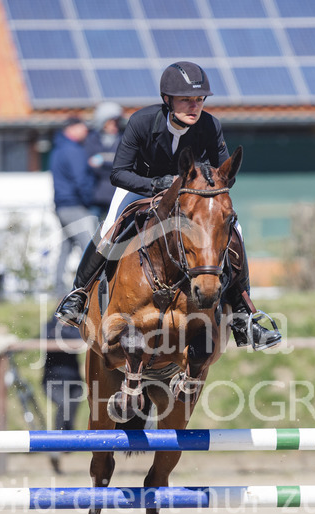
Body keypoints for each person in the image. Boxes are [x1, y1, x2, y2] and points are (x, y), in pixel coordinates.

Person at [54, 62, 282, 351]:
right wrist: (157, 184)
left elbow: (222, 176)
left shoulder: (210, 125)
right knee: (110, 226)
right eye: (186, 99)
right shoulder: (142, 122)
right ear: (167, 99)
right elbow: (118, 173)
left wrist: (201, 189)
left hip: (189, 195)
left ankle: (243, 315)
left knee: (235, 229)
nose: (194, 106)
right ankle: (78, 296)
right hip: (140, 187)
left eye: (199, 100)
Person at [50, 116, 98, 295]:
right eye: (83, 127)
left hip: (62, 207)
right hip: (75, 206)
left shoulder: (58, 149)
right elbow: (81, 181)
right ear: (72, 128)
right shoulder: (73, 151)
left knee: (66, 250)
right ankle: (87, 293)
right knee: (90, 251)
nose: (86, 131)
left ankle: (60, 294)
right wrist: (90, 200)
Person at [42, 314, 84, 474]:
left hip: (74, 381)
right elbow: (48, 336)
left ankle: (65, 441)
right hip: (53, 380)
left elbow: (80, 338)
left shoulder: (75, 327)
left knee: (70, 411)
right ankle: (58, 445)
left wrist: (63, 334)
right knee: (64, 404)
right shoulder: (48, 325)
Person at [85, 101, 124, 223]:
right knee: (92, 231)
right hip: (96, 195)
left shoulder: (124, 139)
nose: (114, 126)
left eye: (116, 122)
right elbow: (90, 164)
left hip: (116, 193)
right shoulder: (92, 139)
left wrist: (102, 159)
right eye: (111, 122)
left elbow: (123, 163)